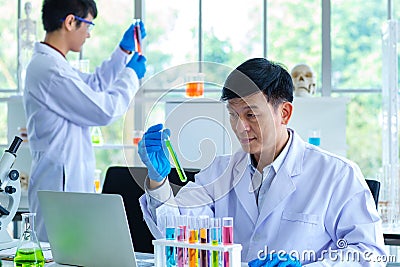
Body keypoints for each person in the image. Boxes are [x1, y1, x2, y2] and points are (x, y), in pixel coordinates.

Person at [138, 58, 386, 266]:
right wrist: (158, 181)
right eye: (233, 115)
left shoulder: (336, 175)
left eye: (251, 115)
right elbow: (179, 236)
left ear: (284, 113)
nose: (240, 127)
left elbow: (369, 253)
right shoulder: (220, 171)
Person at [23, 0, 146, 241]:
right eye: (88, 25)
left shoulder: (55, 65)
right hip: (60, 189)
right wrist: (130, 75)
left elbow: (94, 85)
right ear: (70, 22)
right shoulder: (50, 70)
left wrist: (122, 53)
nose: (88, 34)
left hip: (68, 187)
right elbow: (103, 110)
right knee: (60, 257)